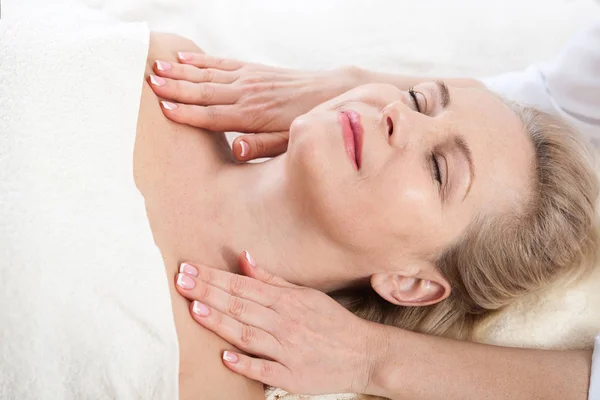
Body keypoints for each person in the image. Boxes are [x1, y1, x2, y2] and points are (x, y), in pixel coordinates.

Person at [150, 21, 600, 399]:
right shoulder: (169, 68)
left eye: (439, 169)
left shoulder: (197, 378)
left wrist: (373, 360)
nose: (397, 115)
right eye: (418, 99)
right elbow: (552, 98)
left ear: (409, 282)